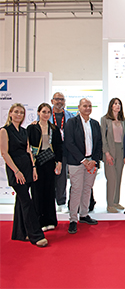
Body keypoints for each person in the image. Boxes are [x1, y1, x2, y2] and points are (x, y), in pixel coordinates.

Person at [0, 103, 48, 247]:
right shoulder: (4, 131)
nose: (19, 115)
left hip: (27, 167)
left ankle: (19, 233)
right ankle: (36, 235)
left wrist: (33, 168)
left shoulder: (23, 130)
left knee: (21, 202)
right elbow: (4, 153)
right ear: (10, 113)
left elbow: (28, 150)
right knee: (27, 202)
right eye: (16, 112)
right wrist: (16, 171)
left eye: (21, 112)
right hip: (16, 169)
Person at [64, 98, 102, 234]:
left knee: (87, 189)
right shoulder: (71, 122)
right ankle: (73, 219)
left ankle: (84, 215)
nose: (88, 108)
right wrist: (83, 160)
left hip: (91, 162)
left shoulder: (95, 124)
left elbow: (99, 144)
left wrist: (94, 161)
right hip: (76, 162)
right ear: (79, 107)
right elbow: (69, 143)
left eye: (90, 106)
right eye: (85, 106)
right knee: (76, 190)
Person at [28, 103, 63, 232]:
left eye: (48, 112)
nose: (46, 114)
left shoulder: (54, 129)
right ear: (38, 113)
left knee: (49, 192)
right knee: (37, 192)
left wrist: (59, 162)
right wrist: (32, 166)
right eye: (43, 112)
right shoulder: (32, 128)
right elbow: (28, 148)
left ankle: (50, 220)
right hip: (36, 164)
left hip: (50, 163)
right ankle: (39, 221)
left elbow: (59, 147)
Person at [50, 92, 74, 212]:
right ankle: (49, 202)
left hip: (64, 150)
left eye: (62, 99)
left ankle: (61, 202)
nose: (59, 101)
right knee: (49, 177)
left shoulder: (70, 116)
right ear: (52, 101)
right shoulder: (46, 114)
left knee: (62, 177)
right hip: (49, 151)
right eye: (57, 99)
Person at [101, 98, 125, 213]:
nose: (118, 105)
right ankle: (110, 204)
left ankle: (116, 201)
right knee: (111, 178)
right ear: (111, 106)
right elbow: (103, 138)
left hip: (120, 151)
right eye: (115, 103)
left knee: (119, 176)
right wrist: (106, 153)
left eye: (119, 104)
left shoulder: (123, 120)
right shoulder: (105, 120)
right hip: (109, 151)